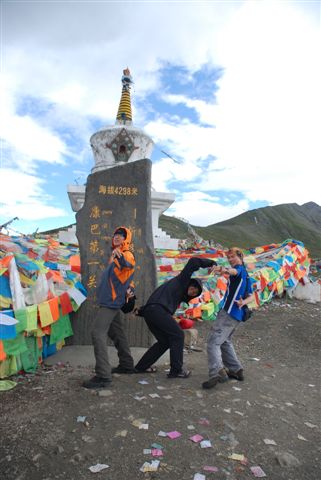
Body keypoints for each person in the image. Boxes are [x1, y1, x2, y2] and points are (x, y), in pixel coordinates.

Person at [135, 257, 217, 378]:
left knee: (164, 342)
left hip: (151, 311)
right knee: (178, 335)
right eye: (194, 287)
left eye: (196, 292)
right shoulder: (182, 281)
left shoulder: (177, 294)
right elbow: (193, 262)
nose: (194, 291)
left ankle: (140, 367)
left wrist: (140, 311)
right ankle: (177, 370)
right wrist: (211, 263)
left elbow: (156, 302)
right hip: (158, 311)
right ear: (190, 284)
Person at [83, 227, 136, 389]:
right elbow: (126, 277)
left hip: (111, 302)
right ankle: (127, 364)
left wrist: (119, 258)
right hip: (110, 300)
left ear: (127, 239)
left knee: (97, 332)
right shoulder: (115, 255)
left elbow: (128, 266)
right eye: (115, 235)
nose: (117, 237)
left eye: (121, 235)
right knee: (116, 332)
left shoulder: (126, 254)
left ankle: (103, 376)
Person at [202, 247, 254, 390]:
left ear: (240, 256)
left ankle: (217, 372)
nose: (230, 260)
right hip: (237, 315)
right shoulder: (247, 275)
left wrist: (223, 269)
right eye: (228, 258)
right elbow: (251, 295)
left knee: (213, 341)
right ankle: (236, 370)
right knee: (225, 341)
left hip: (229, 313)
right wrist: (243, 302)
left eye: (232, 257)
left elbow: (232, 271)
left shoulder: (238, 270)